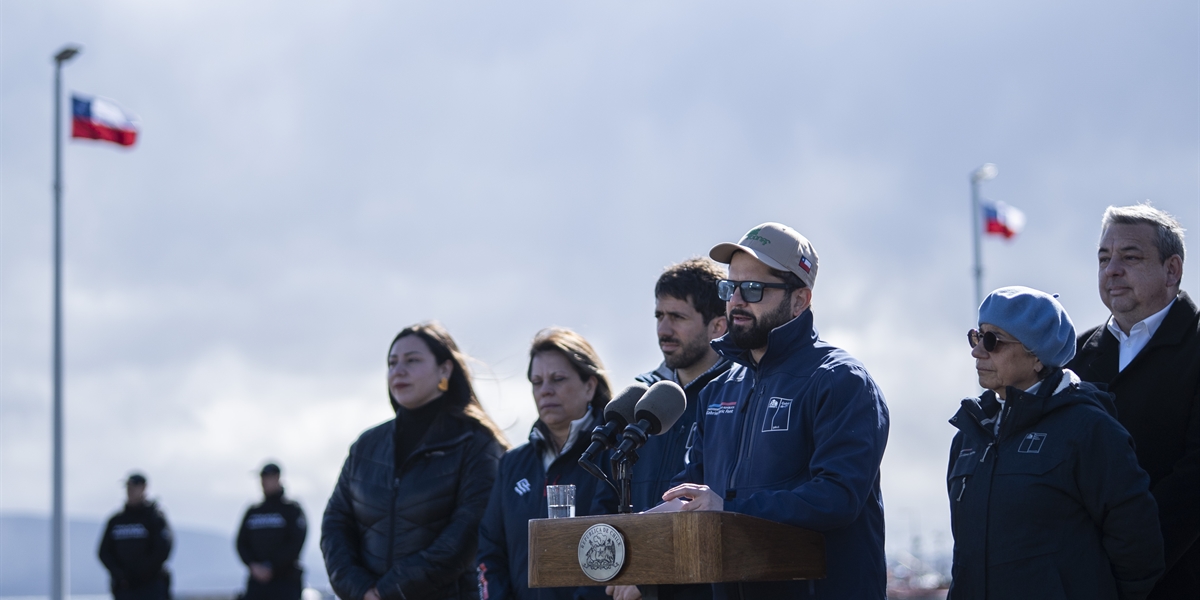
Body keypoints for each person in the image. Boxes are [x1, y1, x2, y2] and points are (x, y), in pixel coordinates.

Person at [663, 222, 890, 599]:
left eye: (753, 289)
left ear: (800, 300)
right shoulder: (718, 388)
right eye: (729, 287)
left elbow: (836, 497)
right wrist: (647, 523)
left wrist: (729, 507)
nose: (736, 300)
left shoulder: (839, 380)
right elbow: (696, 489)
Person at [948, 286, 1164, 599]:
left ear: (1036, 356)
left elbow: (1138, 547)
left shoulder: (1089, 430)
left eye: (993, 340)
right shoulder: (969, 435)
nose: (978, 351)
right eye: (977, 336)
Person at [1066, 203, 1199, 598]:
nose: (1111, 270)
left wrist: (1126, 564)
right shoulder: (1073, 357)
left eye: (1130, 256)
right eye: (1104, 258)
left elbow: (1194, 480)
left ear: (1171, 270)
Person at [322, 322, 508, 600]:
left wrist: (387, 592)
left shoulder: (477, 443)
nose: (398, 370)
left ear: (444, 370)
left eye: (412, 360)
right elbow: (335, 525)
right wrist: (360, 589)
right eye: (392, 362)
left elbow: (466, 533)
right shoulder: (366, 446)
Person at [604, 259, 730, 600]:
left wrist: (648, 578)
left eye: (678, 317)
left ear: (718, 325)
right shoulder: (638, 400)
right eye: (659, 316)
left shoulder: (736, 397)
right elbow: (609, 496)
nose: (663, 329)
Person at [476, 327, 617, 600]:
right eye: (537, 382)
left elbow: (614, 551)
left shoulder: (616, 455)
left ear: (590, 386)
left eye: (558, 379)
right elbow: (489, 552)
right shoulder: (512, 464)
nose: (546, 391)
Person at [237, 462, 307, 600]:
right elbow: (241, 543)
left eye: (267, 477)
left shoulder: (291, 509)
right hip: (257, 585)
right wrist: (253, 565)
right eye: (262, 478)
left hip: (285, 583)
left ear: (277, 478)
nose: (263, 482)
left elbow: (295, 543)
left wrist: (272, 566)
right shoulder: (253, 511)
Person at [98, 473, 173, 600]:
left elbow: (163, 549)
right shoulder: (117, 521)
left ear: (143, 488)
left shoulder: (154, 518)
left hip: (151, 587)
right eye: (128, 487)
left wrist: (142, 573)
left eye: (134, 487)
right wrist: (121, 574)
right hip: (125, 588)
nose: (130, 491)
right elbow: (104, 552)